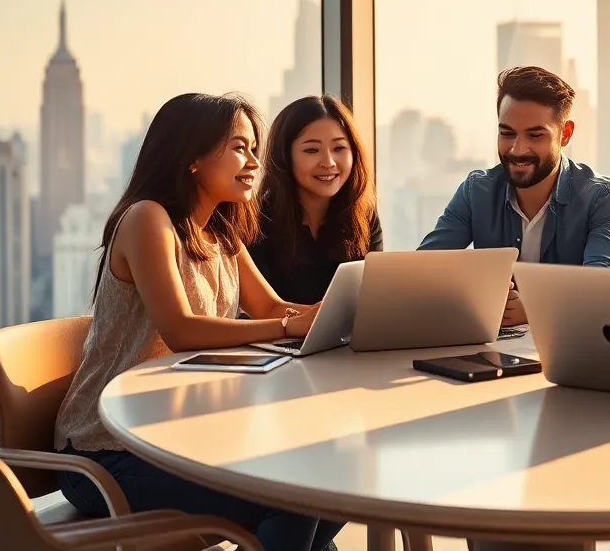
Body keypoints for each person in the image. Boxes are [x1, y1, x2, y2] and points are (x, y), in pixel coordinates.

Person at [53, 92, 343, 551]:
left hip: (177, 439)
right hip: (106, 453)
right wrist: (290, 327)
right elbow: (182, 330)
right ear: (192, 157)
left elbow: (270, 308)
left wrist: (335, 312)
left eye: (254, 149)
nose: (254, 162)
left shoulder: (221, 231)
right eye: (239, 148)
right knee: (293, 497)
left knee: (331, 479)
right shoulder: (148, 219)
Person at [419, 66, 610, 326]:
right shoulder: (476, 191)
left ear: (565, 134)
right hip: (489, 345)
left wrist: (534, 306)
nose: (517, 150)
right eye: (507, 134)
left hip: (570, 346)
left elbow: (604, 289)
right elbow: (423, 271)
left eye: (535, 135)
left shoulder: (603, 198)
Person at [249, 95, 382, 305]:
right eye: (312, 150)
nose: (328, 162)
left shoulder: (364, 216)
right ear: (285, 156)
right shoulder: (255, 221)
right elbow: (256, 311)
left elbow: (372, 299)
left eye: (339, 148)